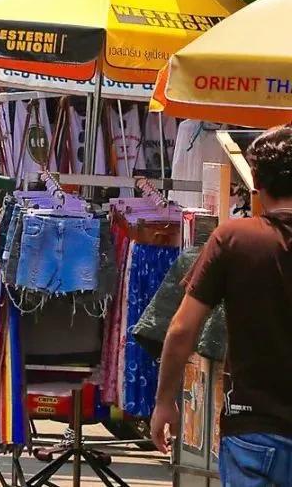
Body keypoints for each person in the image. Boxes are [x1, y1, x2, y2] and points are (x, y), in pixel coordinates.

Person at [151, 125, 292, 485]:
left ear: (255, 182)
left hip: (253, 428)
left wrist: (165, 401)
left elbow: (182, 329)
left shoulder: (234, 239)